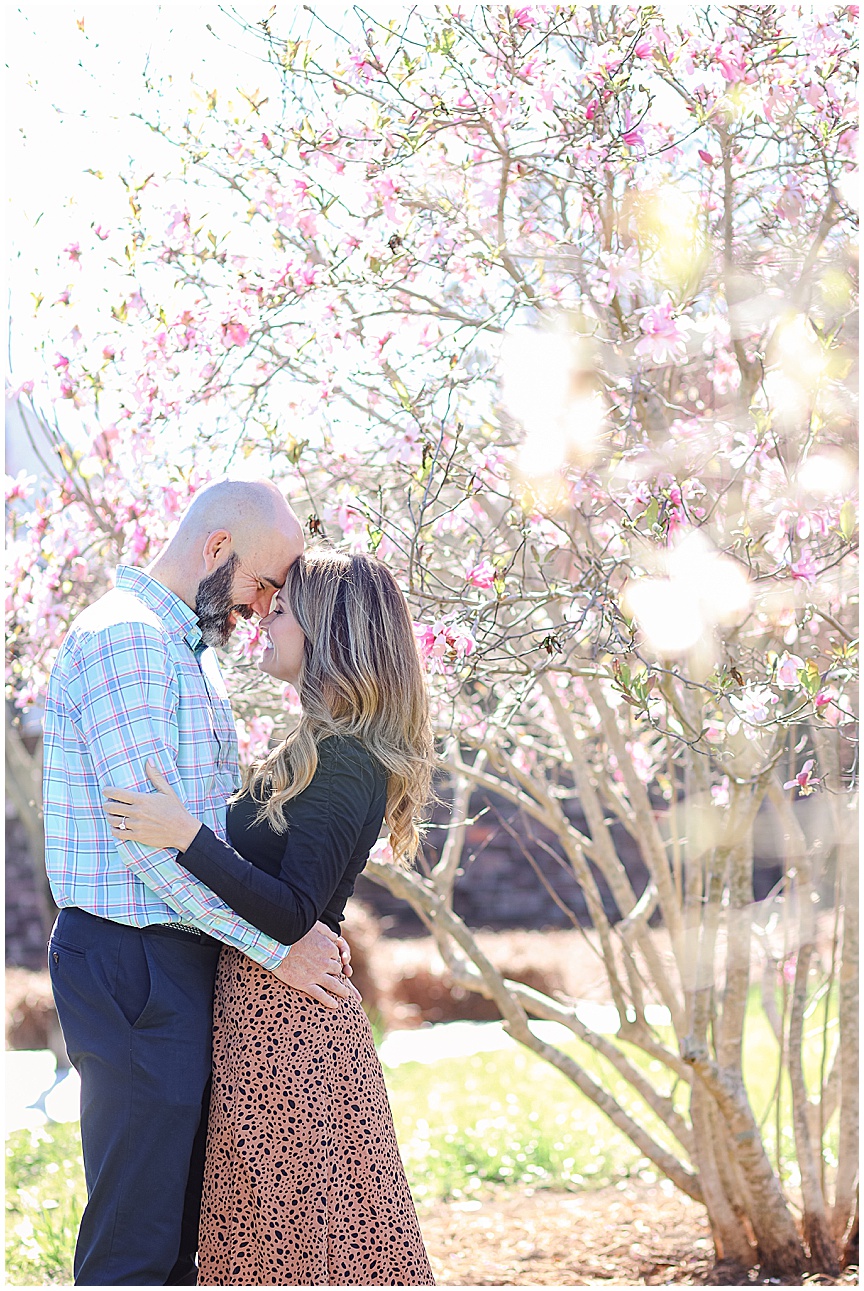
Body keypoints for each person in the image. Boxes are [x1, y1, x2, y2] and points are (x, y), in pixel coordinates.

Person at [43, 480, 357, 1288]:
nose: (261, 607)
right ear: (218, 548)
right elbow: (150, 846)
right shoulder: (129, 641)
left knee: (181, 1241)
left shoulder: (179, 650)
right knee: (138, 1247)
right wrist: (273, 946)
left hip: (172, 960)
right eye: (261, 583)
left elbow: (199, 827)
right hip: (134, 959)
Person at [103, 548, 437, 1287]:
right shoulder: (313, 747)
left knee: (301, 1246)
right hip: (265, 1017)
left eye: (281, 609)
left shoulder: (348, 756)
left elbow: (292, 911)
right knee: (269, 1243)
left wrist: (182, 833)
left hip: (291, 1030)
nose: (264, 621)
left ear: (328, 631)